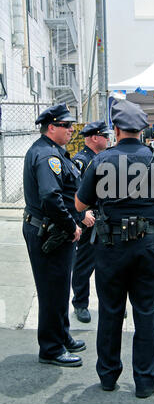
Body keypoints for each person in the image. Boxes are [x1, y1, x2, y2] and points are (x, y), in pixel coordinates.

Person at [74, 99, 154, 398]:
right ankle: (146, 380)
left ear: (117, 128)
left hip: (110, 245)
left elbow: (80, 204)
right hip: (148, 245)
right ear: (142, 129)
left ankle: (108, 376)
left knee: (110, 311)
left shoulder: (101, 160)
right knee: (145, 312)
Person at [23, 103, 94, 367]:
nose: (72, 130)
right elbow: (50, 198)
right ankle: (51, 348)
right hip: (48, 231)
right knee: (52, 291)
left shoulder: (56, 152)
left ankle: (62, 335)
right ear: (51, 127)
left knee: (61, 287)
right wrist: (71, 225)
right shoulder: (46, 156)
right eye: (66, 126)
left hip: (55, 231)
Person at [72, 120, 110, 323]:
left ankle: (111, 305)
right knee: (84, 265)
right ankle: (80, 304)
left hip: (104, 218)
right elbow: (72, 191)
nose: (108, 139)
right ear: (94, 137)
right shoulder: (81, 160)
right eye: (105, 135)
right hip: (89, 219)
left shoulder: (102, 158)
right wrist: (82, 214)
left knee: (109, 265)